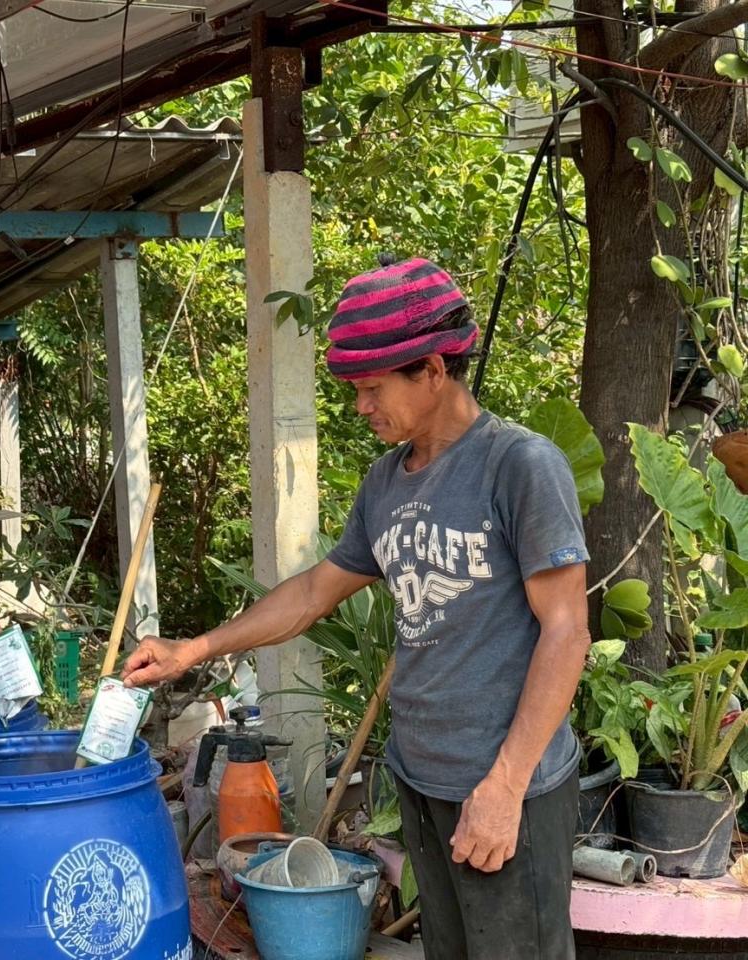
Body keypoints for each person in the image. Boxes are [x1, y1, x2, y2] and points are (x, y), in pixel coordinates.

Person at [123, 256, 591, 959]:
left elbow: (567, 629)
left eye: (372, 388)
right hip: (424, 779)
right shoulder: (387, 482)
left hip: (506, 786)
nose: (361, 406)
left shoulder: (519, 465)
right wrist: (194, 649)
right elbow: (314, 592)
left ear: (433, 370)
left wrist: (505, 785)